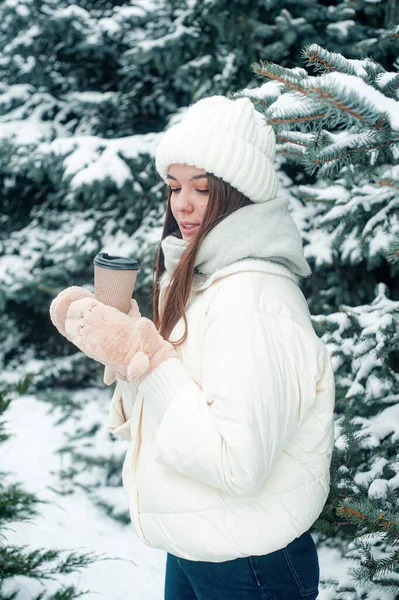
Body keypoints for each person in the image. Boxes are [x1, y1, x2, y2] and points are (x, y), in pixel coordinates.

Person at [49, 95, 336, 600]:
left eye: (202, 189)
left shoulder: (254, 297)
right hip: (197, 543)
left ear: (239, 195)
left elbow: (237, 463)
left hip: (249, 563)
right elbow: (168, 415)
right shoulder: (203, 280)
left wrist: (149, 360)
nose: (181, 204)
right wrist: (125, 347)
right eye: (174, 186)